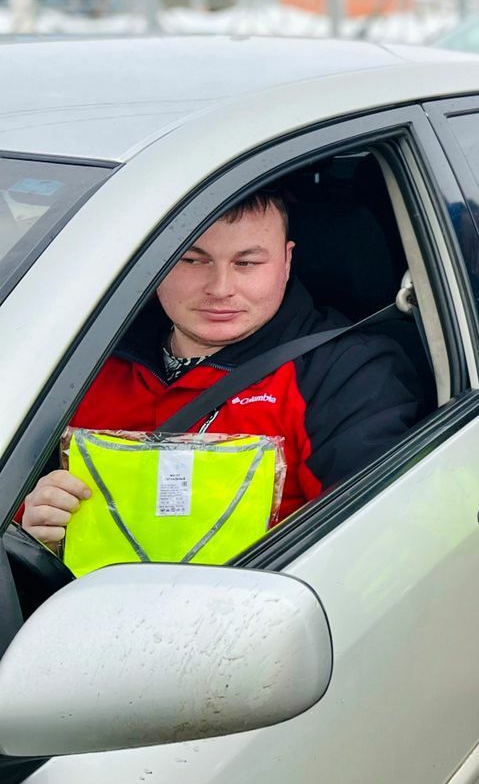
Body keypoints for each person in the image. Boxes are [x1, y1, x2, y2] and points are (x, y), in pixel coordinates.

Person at [20, 190, 422, 547]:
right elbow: (19, 501)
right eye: (192, 260)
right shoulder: (83, 354)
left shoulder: (346, 371)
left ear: (286, 261)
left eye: (247, 263)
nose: (220, 288)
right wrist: (32, 527)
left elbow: (371, 540)